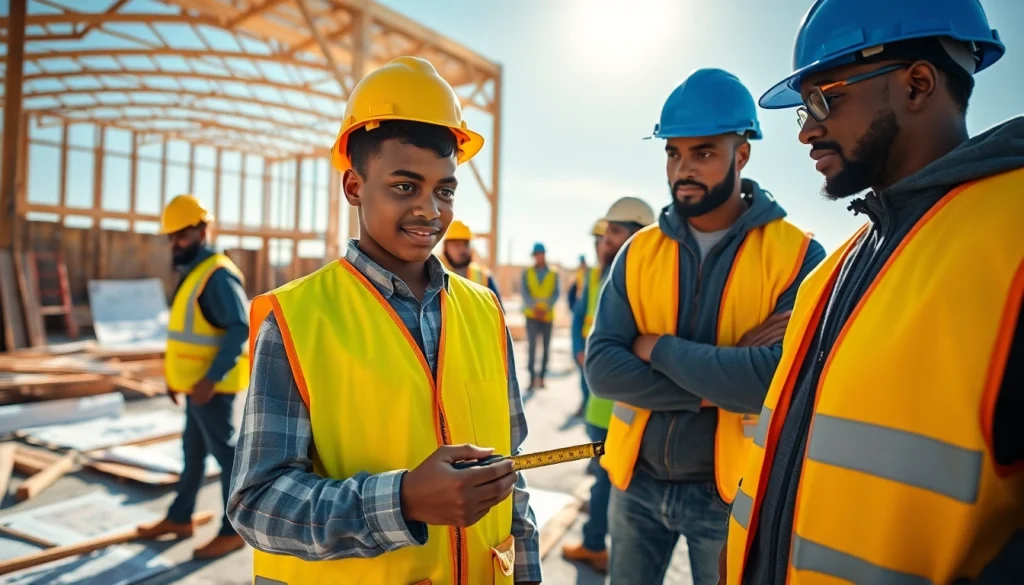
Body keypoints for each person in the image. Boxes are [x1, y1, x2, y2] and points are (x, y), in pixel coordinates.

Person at [722, 1, 1024, 584]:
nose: (806, 130)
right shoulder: (832, 273)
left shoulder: (1012, 237)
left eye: (823, 100)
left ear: (916, 84)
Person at [227, 56, 541, 585]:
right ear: (354, 186)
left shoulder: (483, 310)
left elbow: (514, 475)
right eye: (404, 186)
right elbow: (258, 504)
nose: (430, 210)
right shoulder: (298, 319)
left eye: (444, 190)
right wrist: (401, 501)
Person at [584, 68, 826, 585]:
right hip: (635, 486)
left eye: (704, 153)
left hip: (731, 493)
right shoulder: (639, 252)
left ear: (742, 154)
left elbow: (772, 381)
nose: (682, 168)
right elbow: (604, 370)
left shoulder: (799, 256)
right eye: (674, 153)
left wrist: (656, 348)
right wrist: (721, 377)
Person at [138, 194, 249, 559]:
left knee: (226, 456)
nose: (175, 244)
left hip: (211, 389)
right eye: (171, 237)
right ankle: (180, 518)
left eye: (181, 236)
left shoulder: (217, 274)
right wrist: (178, 379)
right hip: (195, 387)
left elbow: (238, 328)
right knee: (193, 453)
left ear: (203, 231)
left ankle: (234, 530)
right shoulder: (195, 273)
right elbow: (189, 334)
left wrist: (209, 379)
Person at [562, 197, 655, 574]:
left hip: (624, 399)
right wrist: (580, 352)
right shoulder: (598, 274)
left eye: (615, 233)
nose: (605, 241)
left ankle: (595, 543)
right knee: (605, 476)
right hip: (598, 392)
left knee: (609, 480)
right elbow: (580, 316)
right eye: (604, 235)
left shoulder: (647, 277)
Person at [569, 221, 608, 418]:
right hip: (588, 342)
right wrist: (577, 347)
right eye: (598, 242)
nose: (601, 246)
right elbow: (578, 314)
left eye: (603, 240)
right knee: (586, 384)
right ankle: (585, 405)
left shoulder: (629, 272)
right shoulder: (591, 274)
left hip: (610, 347)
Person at [521, 243, 559, 390]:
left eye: (541, 253)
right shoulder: (527, 272)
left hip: (547, 317)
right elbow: (525, 292)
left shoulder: (553, 273)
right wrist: (534, 308)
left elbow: (556, 293)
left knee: (545, 348)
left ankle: (542, 378)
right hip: (532, 316)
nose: (539, 256)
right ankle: (531, 379)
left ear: (544, 254)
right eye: (536, 254)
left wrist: (546, 308)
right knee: (532, 348)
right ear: (534, 256)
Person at [439, 218, 503, 306]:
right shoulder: (434, 274)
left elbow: (499, 313)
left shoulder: (484, 276)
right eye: (456, 244)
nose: (462, 249)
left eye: (466, 243)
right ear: (445, 247)